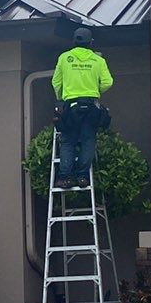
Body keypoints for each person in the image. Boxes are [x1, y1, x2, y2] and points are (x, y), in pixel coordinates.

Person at [51, 27, 114, 188]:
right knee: (88, 140)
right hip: (91, 106)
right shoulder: (98, 60)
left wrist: (60, 97)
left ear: (73, 41)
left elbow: (56, 82)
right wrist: (95, 91)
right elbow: (108, 82)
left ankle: (65, 177)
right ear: (90, 43)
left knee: (68, 142)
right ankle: (83, 177)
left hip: (71, 106)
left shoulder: (65, 58)